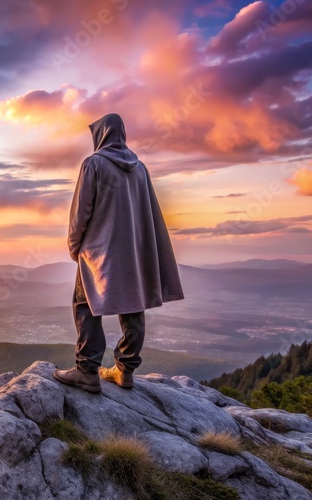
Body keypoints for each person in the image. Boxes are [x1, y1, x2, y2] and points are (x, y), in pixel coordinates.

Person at [53, 113, 184, 394]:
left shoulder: (93, 164)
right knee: (133, 305)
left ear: (100, 135)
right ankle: (125, 369)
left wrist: (75, 247)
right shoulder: (140, 169)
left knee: (85, 304)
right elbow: (147, 211)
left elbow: (80, 213)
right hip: (134, 250)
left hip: (98, 252)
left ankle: (87, 370)